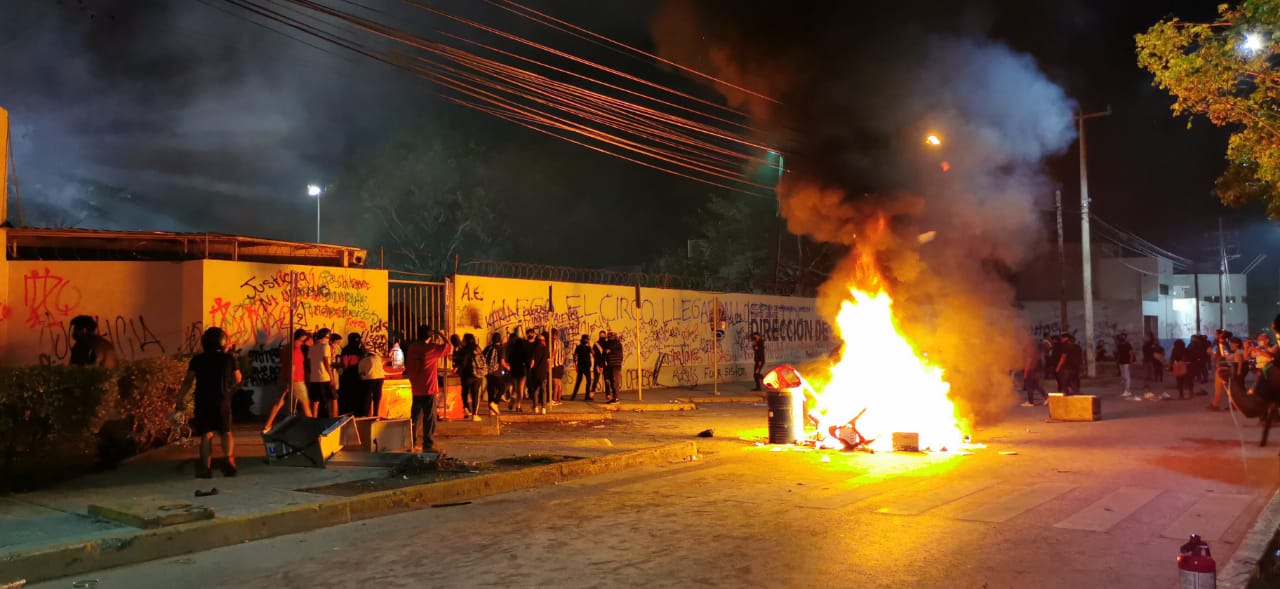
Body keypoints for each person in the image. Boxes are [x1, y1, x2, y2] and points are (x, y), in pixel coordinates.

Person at [173, 327, 242, 478]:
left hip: (203, 401)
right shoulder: (229, 359)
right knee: (226, 432)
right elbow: (238, 378)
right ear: (222, 341)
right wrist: (229, 387)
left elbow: (188, 381)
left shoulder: (197, 360)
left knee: (206, 434)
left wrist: (180, 398)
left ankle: (205, 467)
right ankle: (229, 461)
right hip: (222, 400)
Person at [404, 325, 451, 451]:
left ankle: (412, 441)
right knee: (429, 417)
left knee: (415, 418)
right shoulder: (431, 348)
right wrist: (440, 334)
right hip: (429, 388)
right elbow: (448, 346)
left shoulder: (412, 348)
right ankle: (428, 443)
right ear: (430, 336)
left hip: (416, 388)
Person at [263, 329, 314, 432]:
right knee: (305, 404)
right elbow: (293, 366)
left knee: (279, 402)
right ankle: (313, 428)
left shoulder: (287, 347)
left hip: (284, 378)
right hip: (296, 380)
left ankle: (267, 425)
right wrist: (290, 381)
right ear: (302, 338)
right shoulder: (296, 349)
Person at [308, 328, 338, 418]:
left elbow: (309, 362)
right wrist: (331, 377)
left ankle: (313, 419)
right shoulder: (325, 346)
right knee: (334, 397)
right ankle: (335, 418)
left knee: (315, 401)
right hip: (324, 377)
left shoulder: (312, 347)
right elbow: (326, 362)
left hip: (314, 378)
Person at [457, 333, 486, 421]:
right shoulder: (477, 348)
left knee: (464, 392)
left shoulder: (464, 350)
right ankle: (475, 414)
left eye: (463, 339)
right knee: (475, 394)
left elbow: (463, 362)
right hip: (478, 375)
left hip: (467, 375)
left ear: (466, 340)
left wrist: (458, 370)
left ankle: (466, 408)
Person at [483, 332, 509, 416]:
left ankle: (491, 411)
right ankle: (495, 403)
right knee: (502, 387)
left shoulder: (488, 348)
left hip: (488, 373)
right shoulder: (500, 349)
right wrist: (508, 367)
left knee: (491, 391)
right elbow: (502, 362)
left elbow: (482, 358)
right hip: (497, 373)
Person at [358, 342, 387, 418]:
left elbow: (361, 373)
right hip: (380, 378)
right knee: (377, 397)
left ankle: (365, 415)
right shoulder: (377, 357)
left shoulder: (363, 360)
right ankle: (376, 414)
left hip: (369, 379)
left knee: (367, 396)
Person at [526, 329, 551, 414]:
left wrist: (530, 371)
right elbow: (548, 361)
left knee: (536, 391)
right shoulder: (545, 349)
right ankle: (543, 408)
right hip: (543, 373)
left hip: (535, 373)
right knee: (544, 391)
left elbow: (532, 362)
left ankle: (535, 407)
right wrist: (548, 370)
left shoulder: (534, 349)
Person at [339, 333, 363, 415]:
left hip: (347, 375)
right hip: (355, 375)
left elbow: (344, 363)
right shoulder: (359, 351)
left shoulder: (345, 349)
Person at [506, 328, 530, 412]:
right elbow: (527, 362)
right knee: (521, 389)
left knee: (515, 388)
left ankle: (512, 401)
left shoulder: (512, 351)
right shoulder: (524, 351)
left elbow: (509, 361)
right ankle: (518, 405)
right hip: (522, 371)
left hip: (514, 371)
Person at [1021, 339, 1048, 407]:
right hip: (1037, 371)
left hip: (1031, 371)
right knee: (1037, 385)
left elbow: (1028, 362)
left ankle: (1030, 402)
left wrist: (1026, 372)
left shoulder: (1030, 352)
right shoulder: (1037, 352)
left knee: (1029, 386)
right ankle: (1047, 397)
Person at [571, 334, 593, 401]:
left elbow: (593, 353)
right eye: (587, 339)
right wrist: (575, 365)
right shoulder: (579, 347)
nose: (587, 340)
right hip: (582, 366)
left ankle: (585, 396)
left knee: (587, 380)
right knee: (580, 381)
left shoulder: (587, 347)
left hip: (585, 366)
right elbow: (574, 355)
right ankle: (574, 396)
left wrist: (589, 345)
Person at [605, 331, 624, 403]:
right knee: (610, 381)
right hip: (609, 364)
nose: (611, 338)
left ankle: (616, 398)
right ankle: (614, 398)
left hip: (615, 365)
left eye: (612, 336)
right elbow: (606, 351)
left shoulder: (617, 344)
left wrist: (609, 350)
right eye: (610, 336)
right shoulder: (608, 344)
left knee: (615, 382)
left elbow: (613, 349)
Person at [1116, 334, 1135, 398]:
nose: (1122, 338)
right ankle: (1127, 390)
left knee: (1127, 376)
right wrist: (1118, 362)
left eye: (1123, 337)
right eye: (1121, 337)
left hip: (1126, 362)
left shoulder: (1128, 345)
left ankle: (1127, 390)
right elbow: (1119, 354)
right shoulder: (1119, 345)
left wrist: (1131, 362)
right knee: (1123, 376)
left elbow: (1131, 353)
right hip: (1121, 362)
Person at [550, 328, 565, 406]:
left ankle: (554, 399)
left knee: (555, 383)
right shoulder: (561, 343)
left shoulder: (554, 342)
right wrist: (562, 362)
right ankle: (559, 399)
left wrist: (551, 362)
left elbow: (554, 352)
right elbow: (564, 354)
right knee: (559, 383)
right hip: (560, 365)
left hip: (555, 365)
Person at [593, 330, 609, 397]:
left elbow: (608, 354)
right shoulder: (596, 344)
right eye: (601, 335)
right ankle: (592, 391)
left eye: (603, 335)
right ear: (599, 336)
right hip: (598, 364)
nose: (602, 337)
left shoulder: (607, 344)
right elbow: (594, 355)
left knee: (607, 380)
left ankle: (608, 394)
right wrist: (597, 365)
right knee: (596, 379)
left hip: (605, 364)